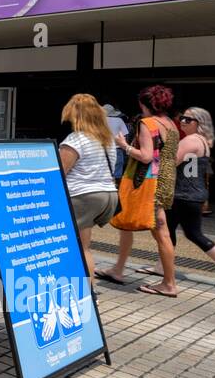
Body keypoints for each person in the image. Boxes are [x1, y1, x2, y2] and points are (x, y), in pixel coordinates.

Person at [97, 84, 180, 297]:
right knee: (140, 226)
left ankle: (169, 284)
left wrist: (123, 145)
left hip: (147, 183)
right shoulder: (170, 124)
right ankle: (118, 268)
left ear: (143, 103)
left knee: (161, 232)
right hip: (165, 181)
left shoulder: (147, 123)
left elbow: (145, 156)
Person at [162, 107, 215, 290]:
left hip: (182, 195)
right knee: (177, 232)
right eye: (182, 118)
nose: (182, 121)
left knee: (178, 233)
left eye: (187, 119)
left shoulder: (190, 140)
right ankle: (161, 267)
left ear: (199, 124)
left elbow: (168, 164)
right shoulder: (203, 141)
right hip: (193, 194)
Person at [58, 95, 119, 285]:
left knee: (73, 247)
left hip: (83, 196)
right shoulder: (107, 140)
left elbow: (60, 172)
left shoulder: (76, 139)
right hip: (107, 195)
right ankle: (88, 293)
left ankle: (81, 291)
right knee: (84, 247)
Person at [102, 103, 129, 181]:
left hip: (102, 150)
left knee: (104, 173)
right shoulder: (119, 120)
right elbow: (125, 135)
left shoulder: (99, 121)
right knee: (117, 174)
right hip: (117, 149)